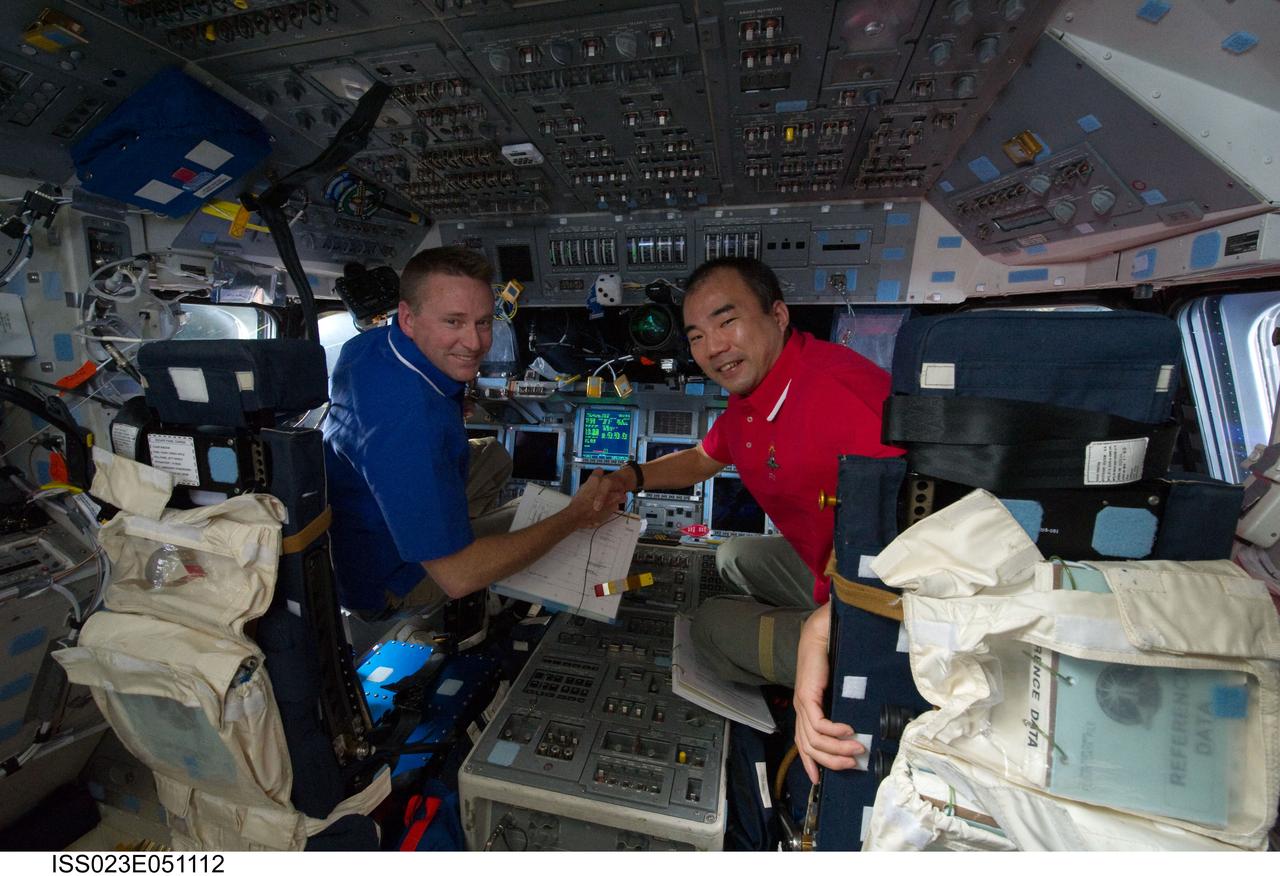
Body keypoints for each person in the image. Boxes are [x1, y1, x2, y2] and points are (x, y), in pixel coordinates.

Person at [589, 256, 903, 782]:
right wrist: (631, 477)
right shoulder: (756, 397)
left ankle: (811, 667)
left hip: (881, 610)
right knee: (733, 554)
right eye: (696, 335)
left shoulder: (845, 398)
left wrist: (822, 630)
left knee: (709, 629)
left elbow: (922, 549)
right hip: (831, 566)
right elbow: (705, 457)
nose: (712, 347)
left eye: (726, 320)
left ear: (778, 315)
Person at [324, 245, 612, 620]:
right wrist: (574, 516)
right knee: (552, 525)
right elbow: (459, 579)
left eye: (483, 322)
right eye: (453, 322)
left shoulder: (367, 345)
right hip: (388, 582)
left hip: (359, 518)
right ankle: (455, 544)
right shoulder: (411, 431)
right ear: (409, 318)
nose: (476, 343)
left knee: (493, 455)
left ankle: (448, 531)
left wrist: (456, 397)